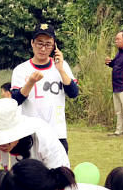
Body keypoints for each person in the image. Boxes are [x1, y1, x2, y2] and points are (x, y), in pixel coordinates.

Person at [11, 23, 79, 153]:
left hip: (57, 132)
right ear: (32, 43)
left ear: (54, 46)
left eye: (48, 44)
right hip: (30, 133)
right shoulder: (21, 69)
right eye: (39, 43)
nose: (43, 48)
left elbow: (73, 93)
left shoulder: (62, 66)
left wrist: (61, 70)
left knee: (58, 172)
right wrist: (30, 82)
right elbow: (15, 100)